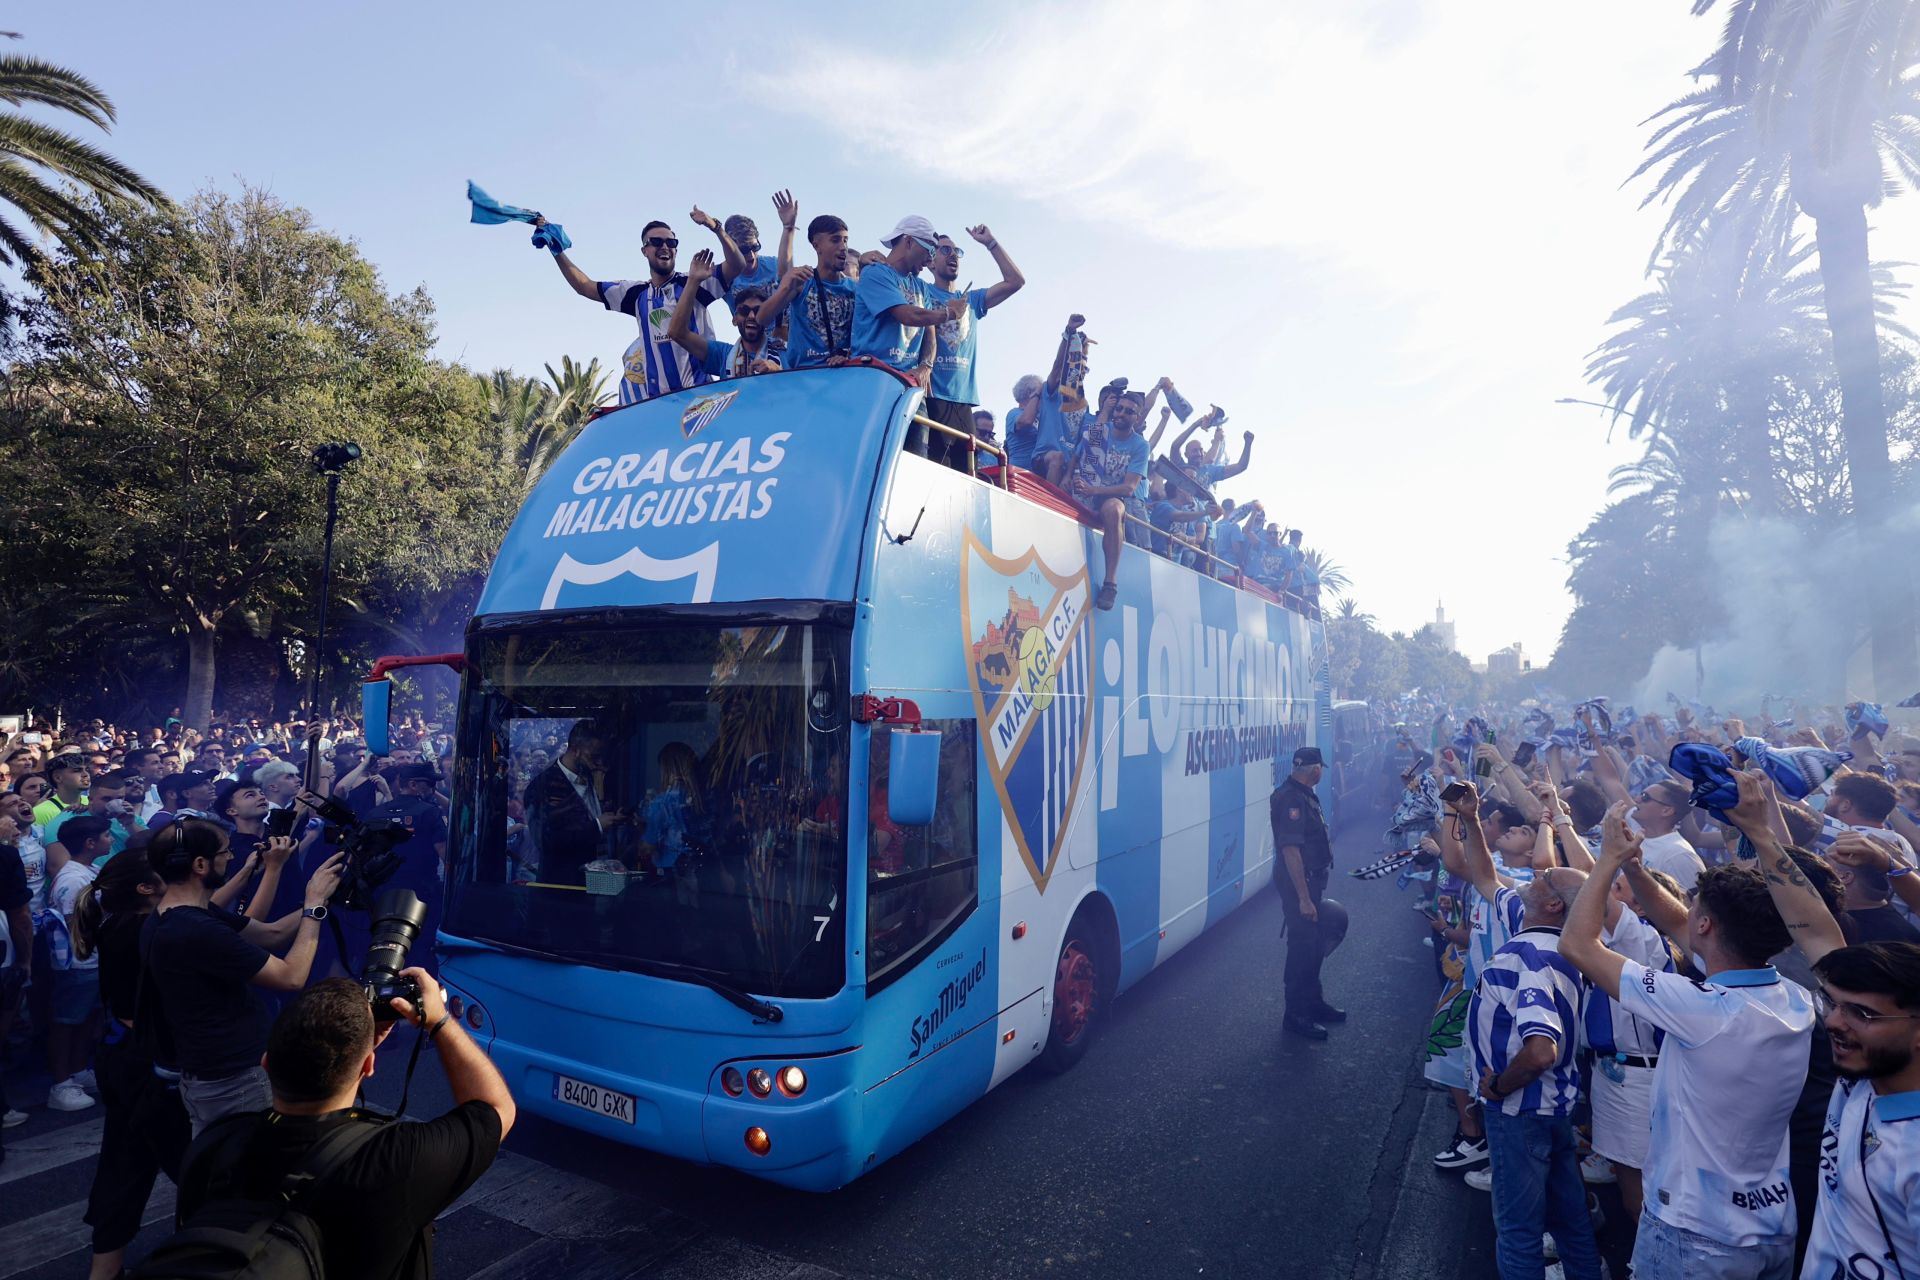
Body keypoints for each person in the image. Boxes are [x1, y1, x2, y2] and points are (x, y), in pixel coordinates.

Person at [1559, 794, 1808, 1280]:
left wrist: (1607, 861)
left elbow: (1577, 944)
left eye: (1694, 906)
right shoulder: (1796, 998)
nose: (1685, 914)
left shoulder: (1700, 1008)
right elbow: (1678, 923)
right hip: (1771, 1223)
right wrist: (1634, 867)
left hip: (1695, 1232)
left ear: (1707, 924)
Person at [173, 975, 514, 1280]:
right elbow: (496, 1109)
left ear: (266, 1062)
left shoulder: (215, 1142)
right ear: (369, 1066)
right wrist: (439, 1021)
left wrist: (356, 1052)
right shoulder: (397, 1160)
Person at [142, 818, 346, 1134]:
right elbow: (291, 977)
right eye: (224, 852)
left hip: (217, 1071)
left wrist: (322, 897)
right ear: (199, 864)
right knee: (248, 1169)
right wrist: (314, 907)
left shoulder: (185, 914)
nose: (231, 857)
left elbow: (271, 934)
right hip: (234, 1078)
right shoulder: (194, 929)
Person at [1466, 861, 1605, 1280]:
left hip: (1519, 1114)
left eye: (1546, 878)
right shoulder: (1556, 945)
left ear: (1550, 904)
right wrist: (1469, 817)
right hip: (1555, 1110)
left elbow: (1540, 1050)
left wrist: (1499, 1086)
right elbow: (1486, 877)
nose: (1536, 873)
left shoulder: (1528, 957)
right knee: (1571, 1221)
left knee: (1518, 1231)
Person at [72, 844, 190, 1279]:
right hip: (150, 1063)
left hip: (122, 1055)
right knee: (201, 1169)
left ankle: (104, 1272)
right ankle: (214, 1256)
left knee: (125, 1161)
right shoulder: (148, 928)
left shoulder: (119, 921)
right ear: (145, 888)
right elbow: (222, 929)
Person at [539, 213, 727, 405]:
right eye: (656, 241)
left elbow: (736, 264)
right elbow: (585, 286)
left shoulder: (696, 280)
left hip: (700, 396)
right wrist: (556, 251)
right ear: (644, 250)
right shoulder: (636, 293)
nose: (664, 247)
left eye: (671, 243)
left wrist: (716, 227)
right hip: (659, 403)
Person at [920, 226, 1025, 469]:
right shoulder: (921, 290)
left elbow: (1015, 281)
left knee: (966, 476)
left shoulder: (972, 300)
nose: (953, 255)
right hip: (933, 396)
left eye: (956, 251)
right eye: (945, 250)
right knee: (935, 471)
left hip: (965, 402)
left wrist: (991, 243)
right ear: (930, 262)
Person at [851, 215, 968, 392]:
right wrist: (949, 313)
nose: (931, 260)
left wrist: (926, 366)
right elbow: (907, 315)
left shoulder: (920, 286)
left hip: (909, 382)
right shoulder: (875, 274)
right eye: (930, 250)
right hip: (873, 376)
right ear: (909, 242)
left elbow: (930, 333)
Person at [1272, 747, 1340, 1040]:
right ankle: (1296, 1015)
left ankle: (1313, 1003)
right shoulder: (1291, 798)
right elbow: (1290, 850)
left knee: (1313, 946)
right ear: (1315, 770)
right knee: (1302, 948)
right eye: (1321, 768)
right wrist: (1303, 898)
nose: (1321, 772)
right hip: (1300, 885)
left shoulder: (1303, 793)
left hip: (1312, 882)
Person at [1067, 389, 1151, 611]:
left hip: (1108, 496)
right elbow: (1076, 457)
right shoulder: (1099, 430)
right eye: (1119, 408)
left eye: (1128, 411)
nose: (1121, 413)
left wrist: (1094, 490)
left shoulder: (1140, 445)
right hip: (1083, 489)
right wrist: (1067, 478)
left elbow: (1129, 487)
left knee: (1115, 509)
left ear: (1137, 417)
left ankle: (1110, 583)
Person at [44, 815, 107, 1111]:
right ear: (90, 843)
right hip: (78, 964)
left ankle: (79, 1070)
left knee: (86, 1020)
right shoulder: (73, 879)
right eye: (106, 835)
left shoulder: (88, 870)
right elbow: (76, 924)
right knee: (67, 1022)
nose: (110, 839)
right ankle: (61, 1083)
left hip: (94, 962)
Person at [522, 719, 622, 886]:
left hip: (597, 887)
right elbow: (546, 841)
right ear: (576, 750)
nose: (599, 762)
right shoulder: (542, 787)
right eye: (594, 756)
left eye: (601, 756)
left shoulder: (595, 778)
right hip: (562, 891)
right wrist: (597, 826)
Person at [757, 213, 858, 369]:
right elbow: (762, 318)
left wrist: (847, 355)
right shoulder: (802, 282)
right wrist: (786, 286)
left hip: (842, 375)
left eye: (845, 240)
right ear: (816, 245)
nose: (843, 247)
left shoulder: (855, 289)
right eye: (835, 239)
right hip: (803, 377)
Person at [666, 249, 782, 380]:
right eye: (744, 311)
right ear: (734, 319)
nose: (751, 316)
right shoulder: (722, 355)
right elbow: (677, 333)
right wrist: (693, 281)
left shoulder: (785, 353)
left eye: (757, 311)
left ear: (767, 318)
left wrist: (779, 370)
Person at [45, 767, 145, 868]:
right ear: (90, 799)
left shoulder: (131, 818)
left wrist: (130, 825)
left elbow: (151, 848)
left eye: (120, 798)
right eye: (106, 799)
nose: (114, 803)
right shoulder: (66, 822)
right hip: (91, 881)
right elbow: (58, 867)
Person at [1630, 779, 1706, 892]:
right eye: (1640, 794)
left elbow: (1694, 906)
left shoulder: (1679, 855)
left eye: (1645, 797)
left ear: (1666, 810)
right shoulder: (1636, 832)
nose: (1636, 799)